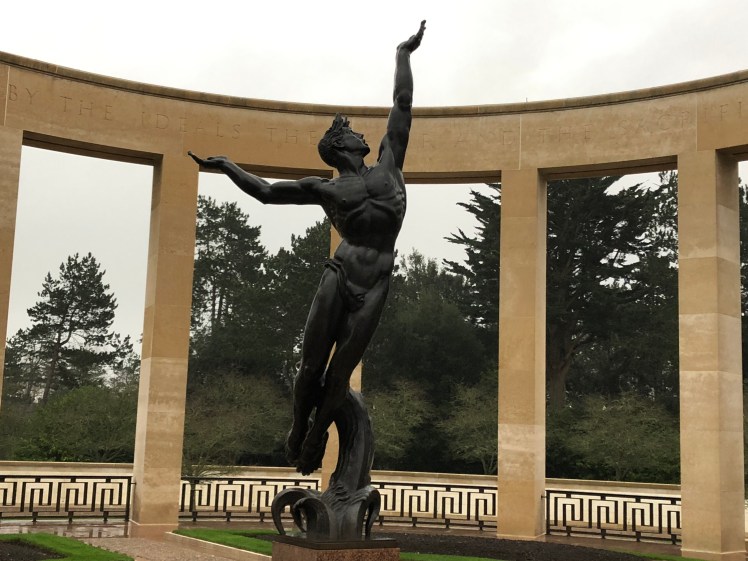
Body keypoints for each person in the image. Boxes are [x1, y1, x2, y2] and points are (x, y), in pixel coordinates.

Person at [189, 20, 426, 475]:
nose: (361, 134)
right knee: (311, 367)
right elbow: (266, 192)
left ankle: (318, 435)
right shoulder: (325, 189)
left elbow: (402, 103)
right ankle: (299, 426)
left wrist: (403, 53)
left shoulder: (390, 163)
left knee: (340, 373)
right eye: (352, 133)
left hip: (376, 282)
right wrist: (228, 166)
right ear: (341, 146)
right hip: (340, 275)